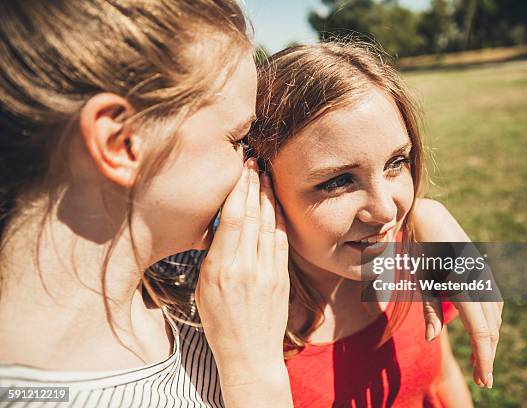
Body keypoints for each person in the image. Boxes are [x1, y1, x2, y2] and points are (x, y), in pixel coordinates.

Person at [0, 1, 292, 407]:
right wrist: (255, 374)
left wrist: (409, 226)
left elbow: (373, 280)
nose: (253, 164)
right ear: (122, 143)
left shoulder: (199, 276)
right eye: (238, 139)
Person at [249, 42, 501, 406]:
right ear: (260, 185)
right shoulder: (244, 343)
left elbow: (441, 378)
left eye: (396, 162)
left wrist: (428, 212)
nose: (385, 211)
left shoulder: (413, 262)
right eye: (337, 181)